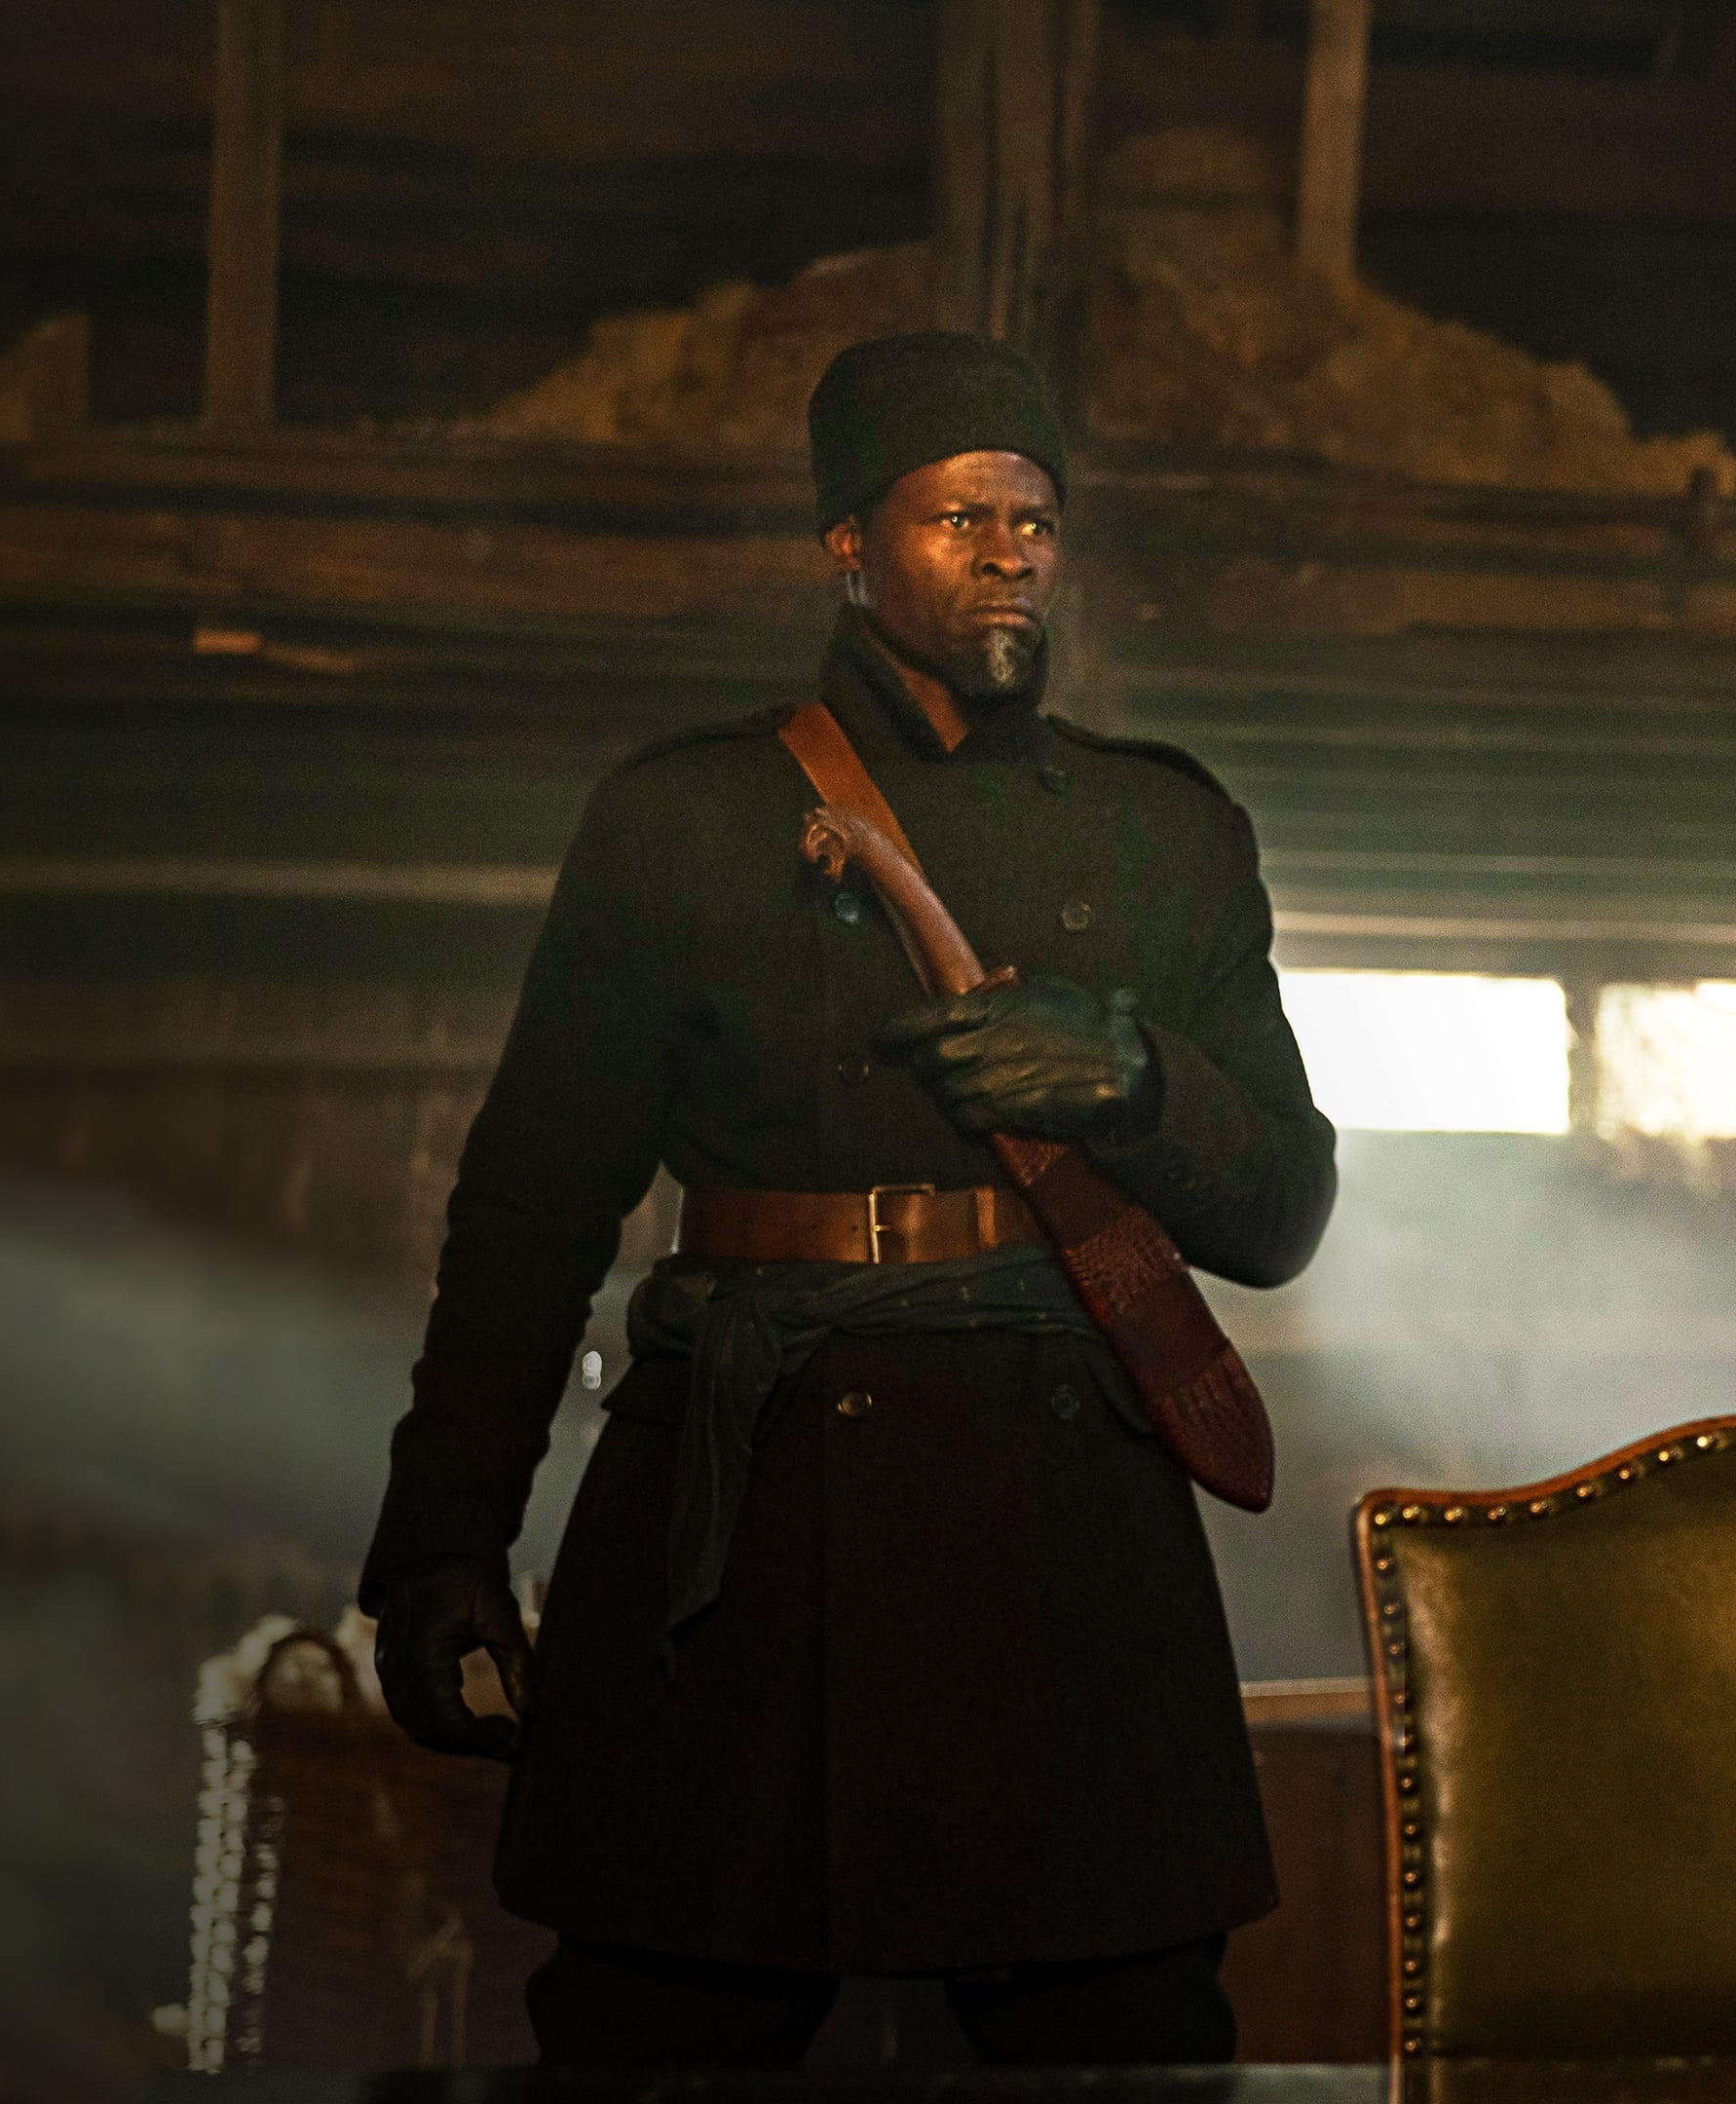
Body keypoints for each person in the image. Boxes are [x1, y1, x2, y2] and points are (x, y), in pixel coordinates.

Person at [355, 331, 1336, 2065]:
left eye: (1035, 520)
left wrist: (1132, 1076)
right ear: (848, 544)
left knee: (1127, 2053)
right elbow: (530, 1215)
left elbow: (1284, 1213)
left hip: (1062, 1534)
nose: (1010, 554)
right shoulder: (683, 818)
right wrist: (442, 1540)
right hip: (743, 1527)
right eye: (960, 519)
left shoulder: (1165, 832)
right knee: (653, 2044)